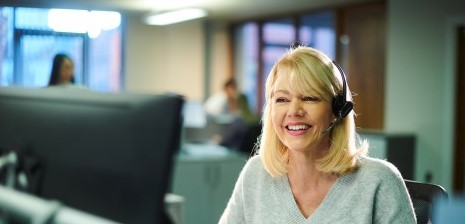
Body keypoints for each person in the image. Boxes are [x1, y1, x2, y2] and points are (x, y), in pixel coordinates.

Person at [219, 45, 416, 223]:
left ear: (337, 110)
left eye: (309, 98)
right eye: (281, 99)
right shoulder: (256, 173)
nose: (294, 111)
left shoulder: (378, 181)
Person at [204, 78, 259, 152]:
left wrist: (219, 140)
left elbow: (226, 141)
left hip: (238, 155)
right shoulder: (255, 120)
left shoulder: (239, 122)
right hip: (248, 154)